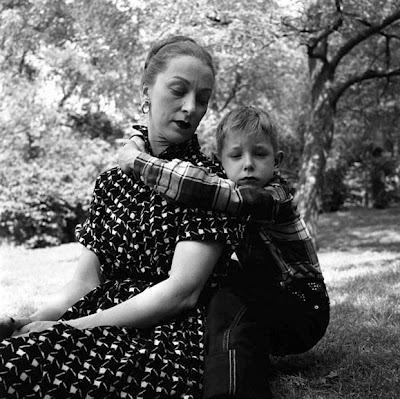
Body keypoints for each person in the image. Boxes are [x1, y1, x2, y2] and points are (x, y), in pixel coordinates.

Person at [0, 36, 244, 398]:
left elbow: (181, 294)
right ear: (146, 91)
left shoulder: (208, 185)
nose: (191, 107)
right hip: (92, 317)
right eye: (178, 90)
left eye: (203, 99)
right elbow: (83, 285)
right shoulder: (112, 182)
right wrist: (25, 323)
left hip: (161, 335)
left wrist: (71, 329)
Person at [119, 106, 330, 398]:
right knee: (221, 296)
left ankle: (230, 391)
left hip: (302, 304)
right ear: (221, 162)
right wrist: (137, 137)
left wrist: (139, 162)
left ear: (276, 161)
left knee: (230, 303)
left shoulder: (273, 197)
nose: (248, 165)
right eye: (236, 155)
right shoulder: (234, 188)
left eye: (260, 154)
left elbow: (202, 188)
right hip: (270, 296)